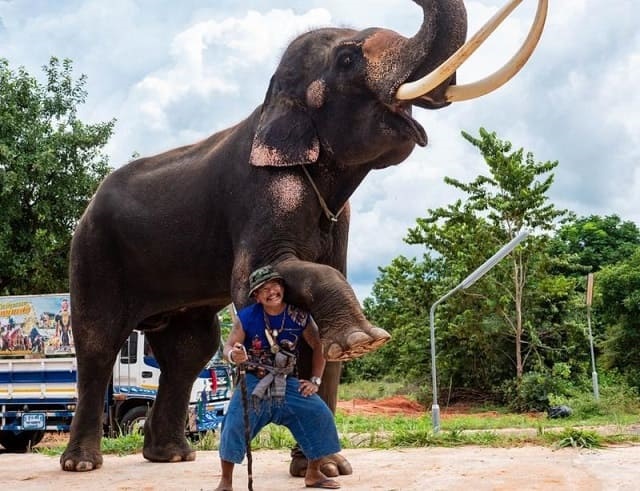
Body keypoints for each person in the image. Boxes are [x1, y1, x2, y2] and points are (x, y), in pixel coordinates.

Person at [214, 265, 341, 490]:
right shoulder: (246, 318)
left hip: (287, 381)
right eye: (264, 289)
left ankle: (313, 474)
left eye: (274, 285)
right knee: (234, 424)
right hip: (254, 381)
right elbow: (228, 347)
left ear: (282, 287)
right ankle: (226, 482)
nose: (271, 291)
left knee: (319, 414)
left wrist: (315, 381)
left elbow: (318, 345)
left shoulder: (299, 316)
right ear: (256, 296)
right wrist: (235, 355)